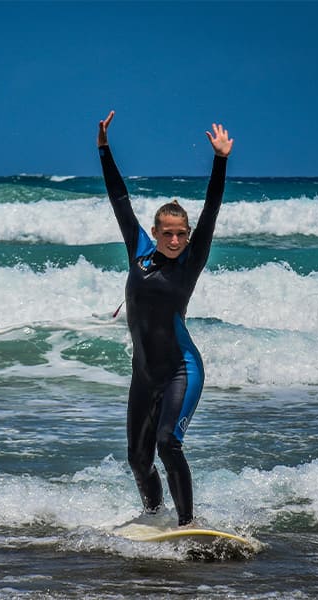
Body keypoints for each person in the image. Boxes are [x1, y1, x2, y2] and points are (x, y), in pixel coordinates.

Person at [97, 110, 233, 526]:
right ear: (155, 232)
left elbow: (211, 209)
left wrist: (220, 160)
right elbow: (119, 199)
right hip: (144, 374)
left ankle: (187, 524)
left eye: (181, 233)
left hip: (180, 370)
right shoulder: (138, 248)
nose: (175, 239)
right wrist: (103, 148)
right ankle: (154, 518)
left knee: (168, 444)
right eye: (167, 232)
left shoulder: (191, 260)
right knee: (138, 460)